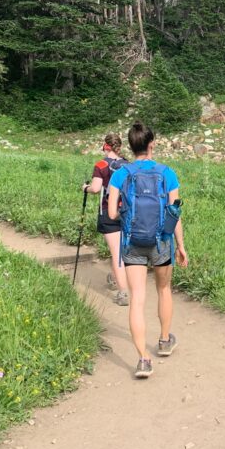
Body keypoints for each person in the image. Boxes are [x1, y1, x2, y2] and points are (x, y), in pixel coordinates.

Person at [108, 123, 188, 379]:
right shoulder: (167, 173)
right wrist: (181, 247)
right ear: (151, 144)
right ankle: (164, 341)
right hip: (161, 242)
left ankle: (143, 359)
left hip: (132, 243)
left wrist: (126, 212)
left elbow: (111, 214)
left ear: (130, 147)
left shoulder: (120, 174)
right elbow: (174, 214)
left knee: (137, 299)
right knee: (163, 289)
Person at [84, 132, 130, 305]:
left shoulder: (101, 165)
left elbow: (96, 188)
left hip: (108, 212)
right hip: (127, 212)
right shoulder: (128, 165)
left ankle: (123, 292)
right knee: (120, 249)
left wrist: (85, 188)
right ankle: (114, 278)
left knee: (117, 252)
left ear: (106, 146)